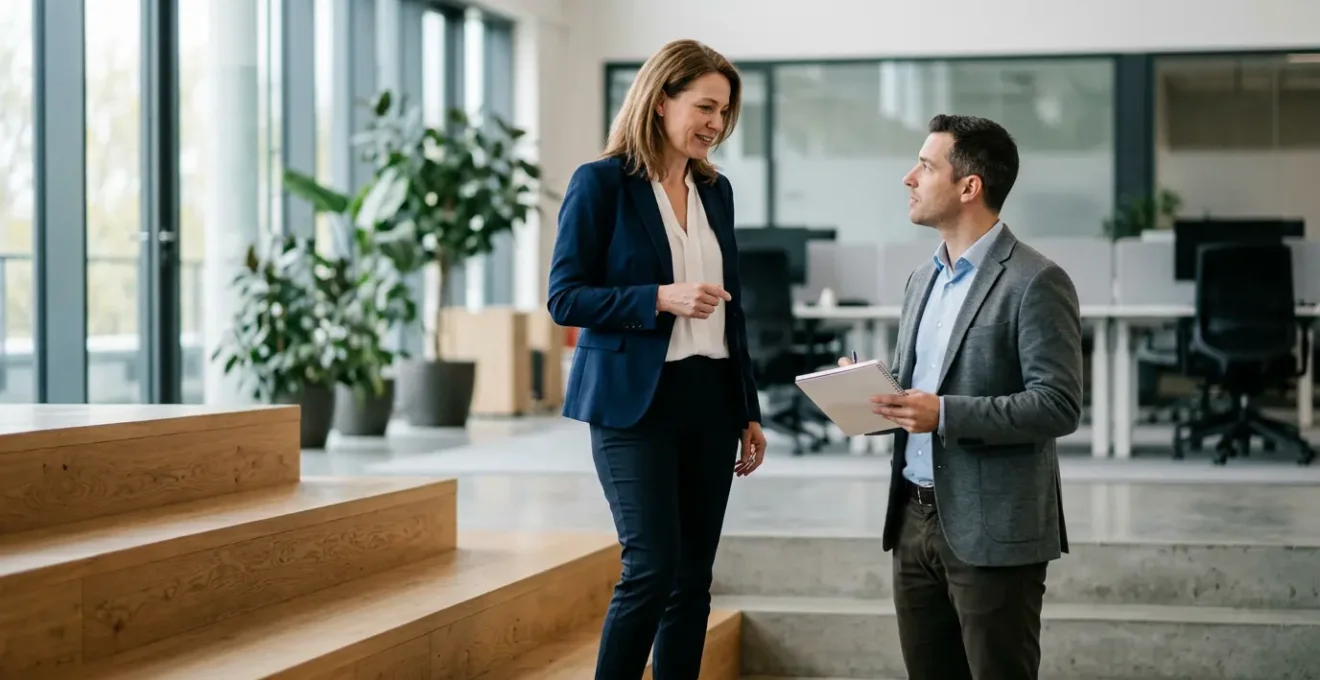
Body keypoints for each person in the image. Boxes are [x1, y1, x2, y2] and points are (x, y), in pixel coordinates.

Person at [545, 38, 767, 680]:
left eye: (724, 113)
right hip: (631, 403)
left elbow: (734, 309)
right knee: (651, 566)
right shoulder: (602, 183)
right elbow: (565, 297)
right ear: (661, 99)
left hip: (710, 399)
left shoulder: (715, 192)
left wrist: (747, 408)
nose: (715, 125)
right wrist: (658, 297)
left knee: (693, 576)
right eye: (705, 107)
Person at [841, 114, 1083, 680]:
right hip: (912, 521)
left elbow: (1058, 404)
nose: (909, 178)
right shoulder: (921, 279)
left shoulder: (1036, 280)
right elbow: (912, 393)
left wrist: (943, 413)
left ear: (969, 186)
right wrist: (865, 392)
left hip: (992, 527)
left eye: (925, 166)